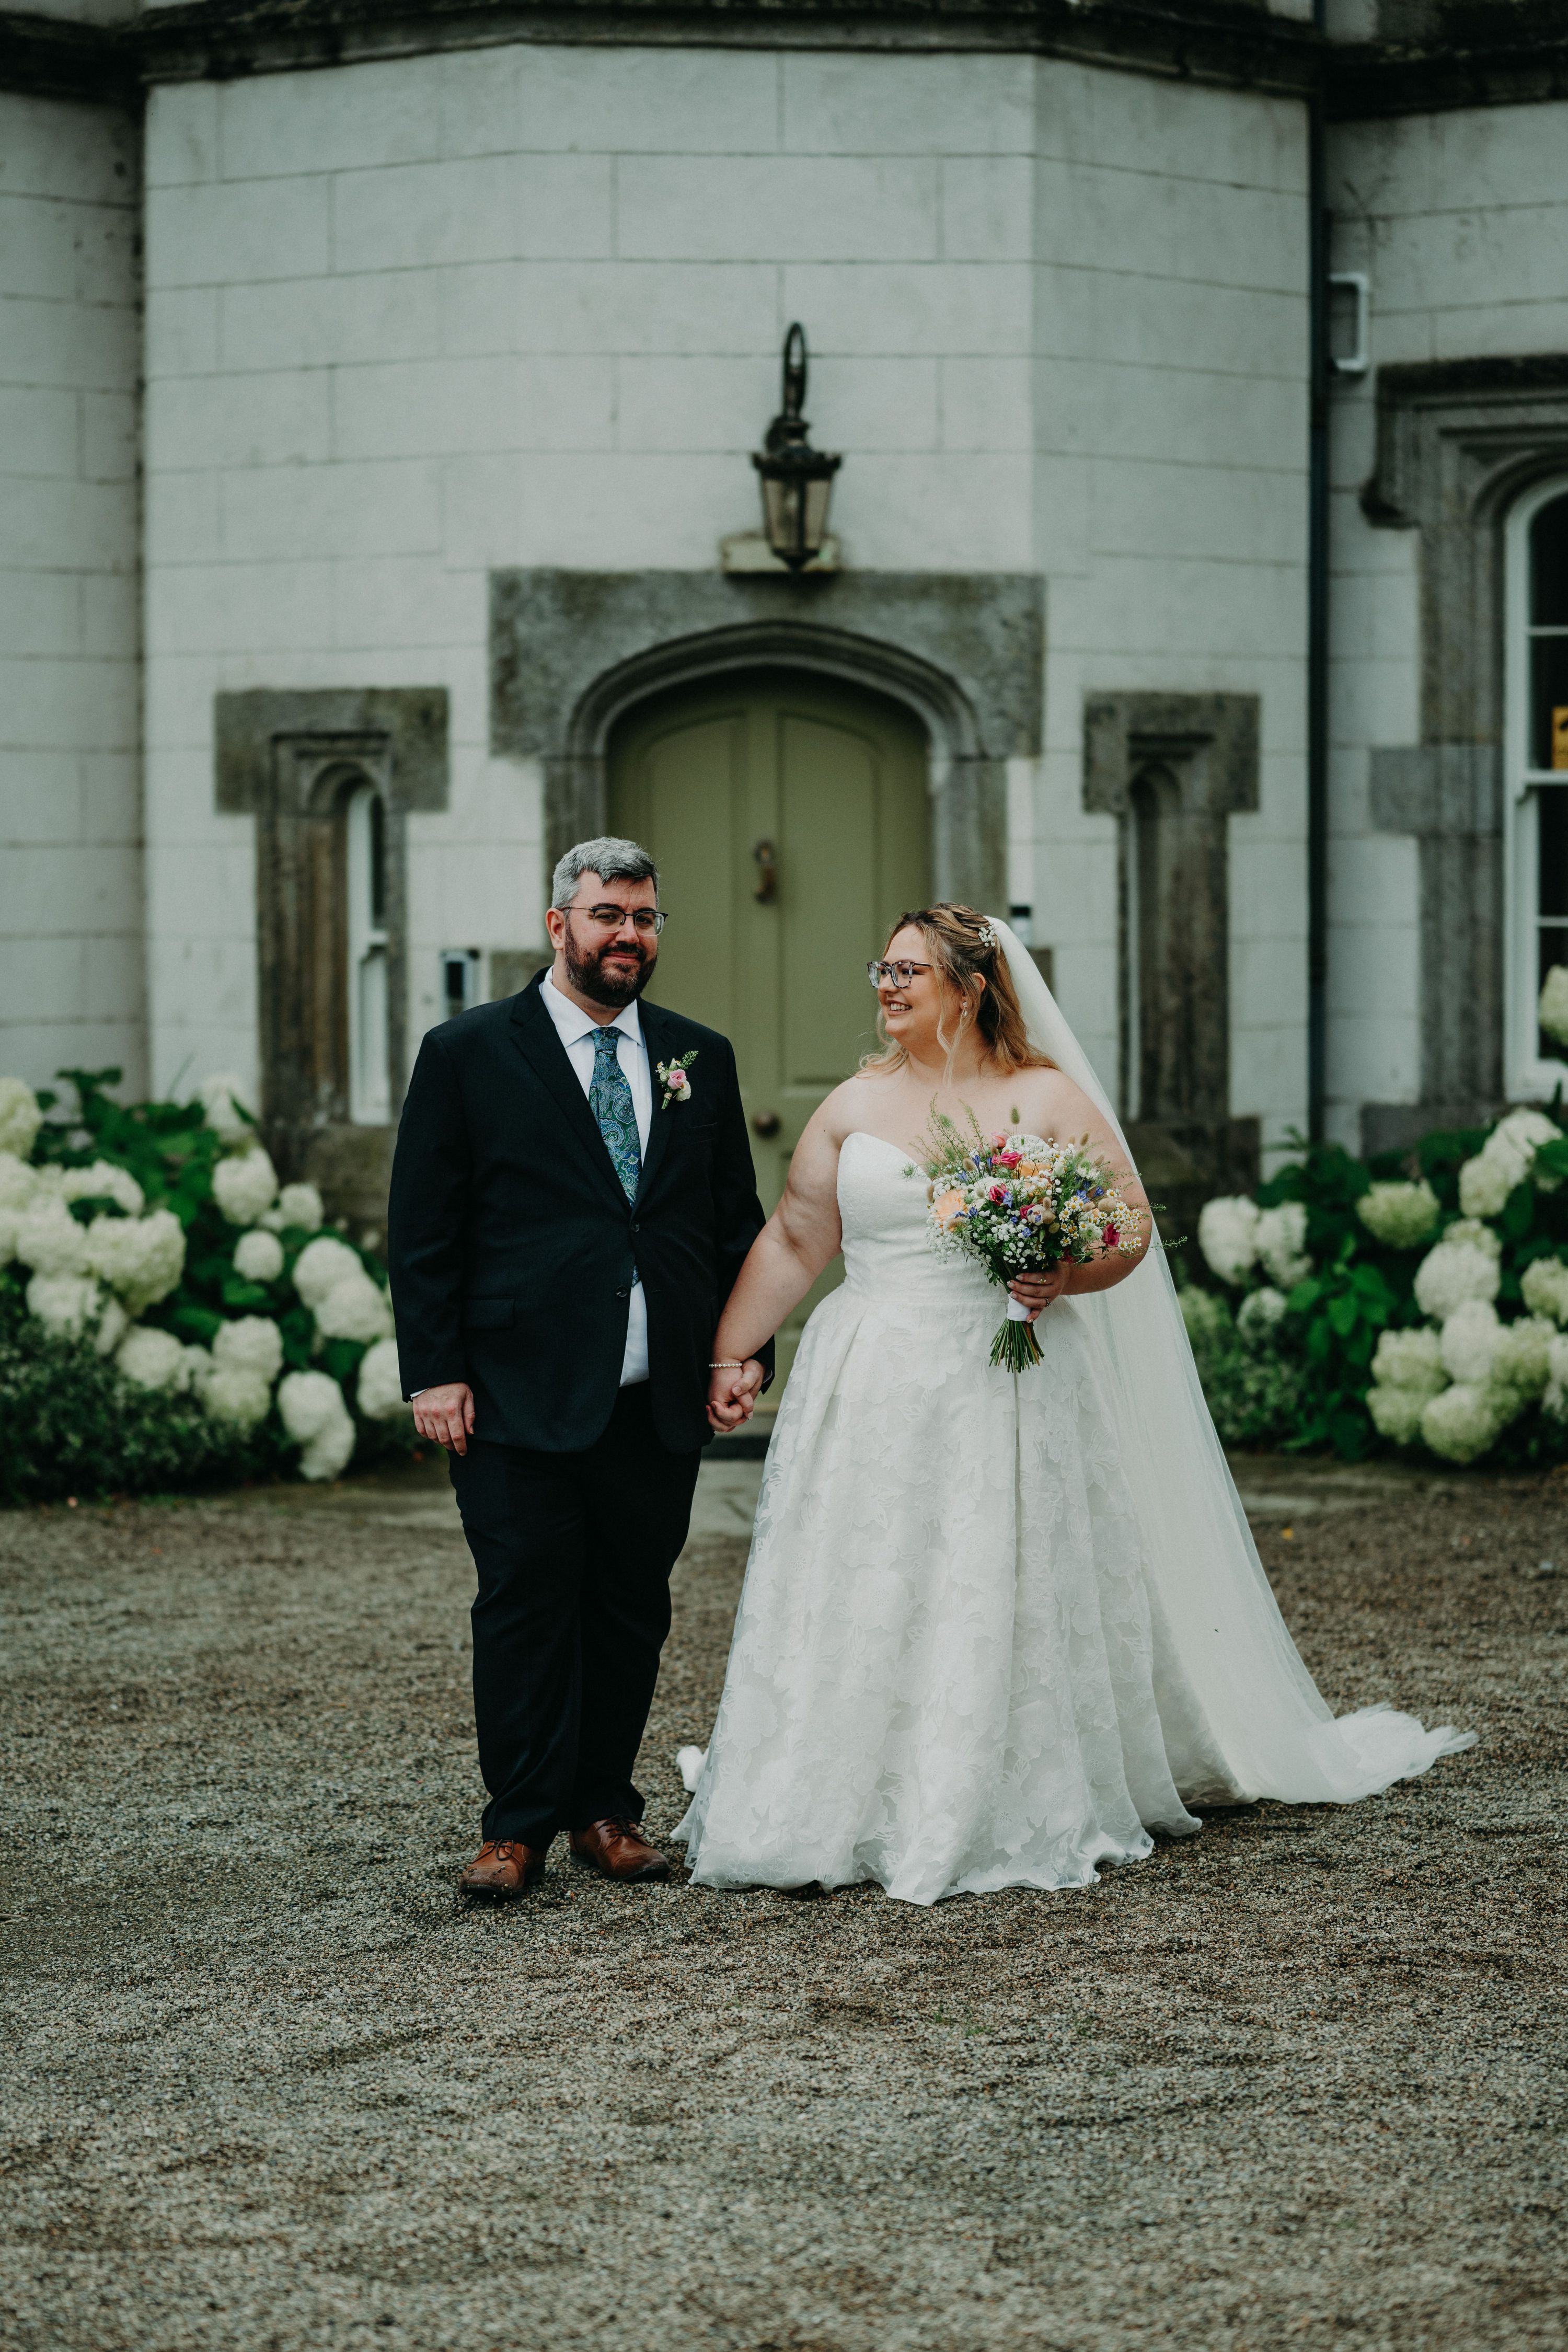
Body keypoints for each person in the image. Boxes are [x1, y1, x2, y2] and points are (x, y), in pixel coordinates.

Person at [683, 905, 1473, 1905]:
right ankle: (838, 1792)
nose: (884, 985)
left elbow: (1128, 1232)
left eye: (908, 971)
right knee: (870, 1573)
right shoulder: (851, 1105)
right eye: (880, 967)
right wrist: (730, 1350)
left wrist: (1063, 1271)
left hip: (1005, 1380)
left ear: (971, 988)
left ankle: (983, 1792)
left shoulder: (1046, 1099)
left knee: (994, 1572)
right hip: (873, 1377)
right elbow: (799, 1239)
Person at [387, 837, 769, 1899]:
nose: (627, 936)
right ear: (558, 925)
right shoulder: (468, 1052)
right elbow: (425, 1228)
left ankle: (603, 1809)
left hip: (656, 1399)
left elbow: (731, 1227)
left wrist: (743, 1353)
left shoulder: (700, 1056)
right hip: (515, 1392)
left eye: (644, 918)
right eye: (607, 915)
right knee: (522, 1602)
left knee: (628, 1604)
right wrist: (436, 1372)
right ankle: (516, 1829)